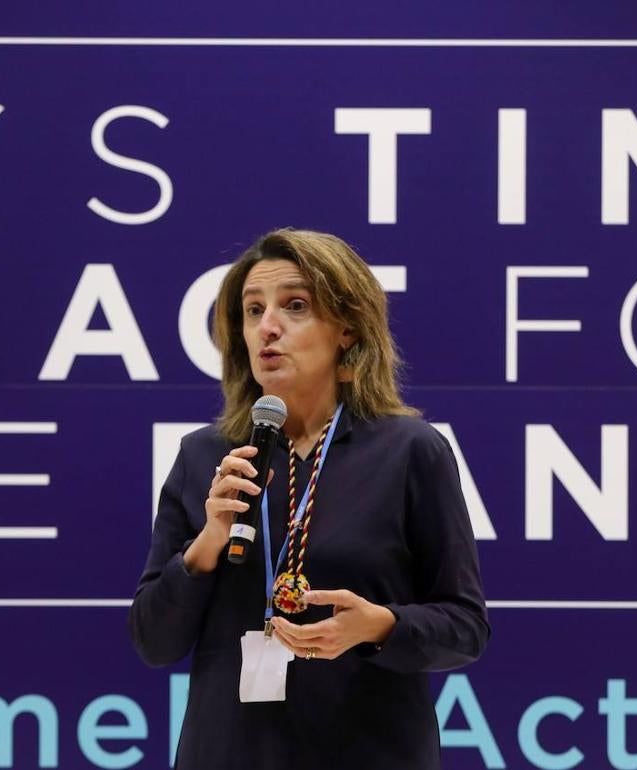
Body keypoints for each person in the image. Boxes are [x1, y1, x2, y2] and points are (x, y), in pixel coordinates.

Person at [128, 228, 490, 769]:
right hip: (229, 752)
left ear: (347, 328)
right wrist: (206, 543)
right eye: (252, 311)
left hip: (369, 751)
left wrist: (380, 625)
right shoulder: (206, 457)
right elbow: (154, 642)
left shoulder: (411, 451)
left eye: (294, 306)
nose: (267, 328)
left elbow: (465, 628)